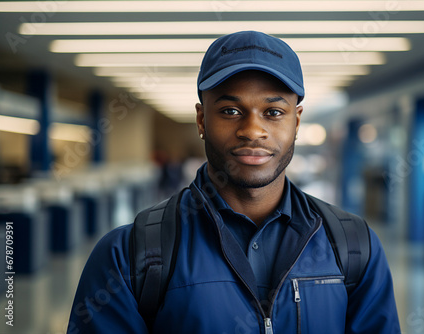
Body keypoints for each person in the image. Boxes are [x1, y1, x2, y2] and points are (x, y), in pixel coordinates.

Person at [67, 31, 401, 334]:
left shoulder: (354, 247)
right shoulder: (128, 256)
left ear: (296, 121)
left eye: (273, 112)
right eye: (229, 110)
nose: (252, 130)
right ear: (202, 119)